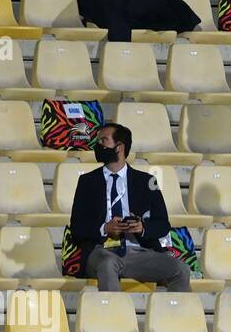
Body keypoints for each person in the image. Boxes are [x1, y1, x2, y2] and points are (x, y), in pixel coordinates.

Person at [68, 123, 191, 293]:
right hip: (101, 250)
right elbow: (77, 227)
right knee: (108, 263)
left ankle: (178, 319)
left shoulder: (148, 181)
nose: (98, 145)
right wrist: (105, 227)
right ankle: (114, 317)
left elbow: (163, 224)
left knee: (181, 269)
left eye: (104, 140)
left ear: (120, 147)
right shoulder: (87, 181)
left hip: (137, 251)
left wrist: (142, 227)